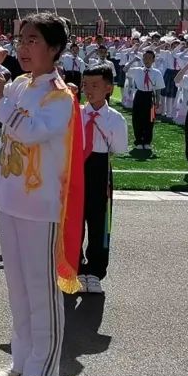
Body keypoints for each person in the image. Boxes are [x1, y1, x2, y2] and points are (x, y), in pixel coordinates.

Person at [0, 12, 81, 376]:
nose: (23, 47)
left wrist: (1, 102)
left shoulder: (60, 96)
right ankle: (21, 360)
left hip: (41, 204)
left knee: (41, 288)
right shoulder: (20, 84)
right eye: (21, 39)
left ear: (54, 49)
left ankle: (44, 367)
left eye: (33, 40)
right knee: (17, 286)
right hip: (10, 197)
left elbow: (33, 133)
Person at [78, 64, 127, 294]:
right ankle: (75, 268)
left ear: (109, 88)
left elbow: (118, 148)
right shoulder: (75, 113)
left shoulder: (115, 119)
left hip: (100, 170)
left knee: (100, 222)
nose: (89, 90)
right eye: (85, 85)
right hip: (78, 169)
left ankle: (95, 271)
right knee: (74, 221)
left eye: (95, 85)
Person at [124, 50, 164, 150]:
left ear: (153, 60)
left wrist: (158, 101)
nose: (147, 60)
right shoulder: (137, 70)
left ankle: (147, 141)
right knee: (137, 119)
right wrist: (133, 60)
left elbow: (158, 88)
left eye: (150, 58)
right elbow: (125, 69)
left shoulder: (157, 72)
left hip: (151, 96)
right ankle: (138, 141)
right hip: (139, 95)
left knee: (150, 119)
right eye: (145, 58)